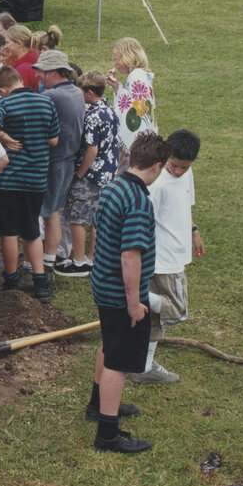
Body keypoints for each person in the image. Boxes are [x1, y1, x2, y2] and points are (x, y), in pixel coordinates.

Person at [85, 133, 171, 454]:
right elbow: (130, 255)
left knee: (109, 347)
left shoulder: (113, 187)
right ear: (157, 166)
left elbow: (96, 228)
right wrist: (134, 303)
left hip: (103, 284)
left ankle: (98, 406)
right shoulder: (137, 200)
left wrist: (97, 262)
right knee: (118, 363)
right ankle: (107, 434)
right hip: (121, 294)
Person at [131, 130, 205, 385]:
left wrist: (193, 232)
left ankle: (143, 367)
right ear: (166, 156)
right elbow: (143, 222)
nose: (178, 172)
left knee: (155, 320)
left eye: (184, 168)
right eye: (174, 165)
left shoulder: (186, 174)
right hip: (162, 259)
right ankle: (134, 294)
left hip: (176, 252)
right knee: (176, 310)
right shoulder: (157, 182)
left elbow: (185, 206)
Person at [0, 65, 59, 303]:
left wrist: (5, 137)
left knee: (9, 232)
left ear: (3, 88)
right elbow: (54, 140)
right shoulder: (46, 103)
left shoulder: (4, 104)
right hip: (36, 178)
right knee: (32, 231)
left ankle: (12, 280)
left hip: (9, 179)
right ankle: (40, 283)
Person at [56, 71, 119, 278]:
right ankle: (94, 258)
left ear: (90, 93)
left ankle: (80, 262)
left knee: (77, 218)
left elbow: (92, 149)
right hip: (108, 173)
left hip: (90, 175)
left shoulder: (92, 116)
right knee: (95, 219)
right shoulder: (109, 109)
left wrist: (80, 174)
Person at [34, 50, 84, 273]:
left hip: (54, 162)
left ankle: (45, 262)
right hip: (69, 160)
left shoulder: (50, 97)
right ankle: (49, 258)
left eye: (41, 72)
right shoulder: (76, 92)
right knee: (54, 212)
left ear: (53, 72)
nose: (38, 77)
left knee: (49, 213)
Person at [106, 37, 156, 169]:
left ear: (128, 56)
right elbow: (131, 102)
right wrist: (117, 87)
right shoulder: (142, 75)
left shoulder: (136, 76)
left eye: (118, 59)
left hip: (135, 142)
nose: (115, 63)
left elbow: (129, 108)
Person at [2, 25, 40, 90]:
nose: (5, 46)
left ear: (19, 44)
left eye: (7, 42)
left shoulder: (22, 70)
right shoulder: (34, 61)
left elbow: (18, 98)